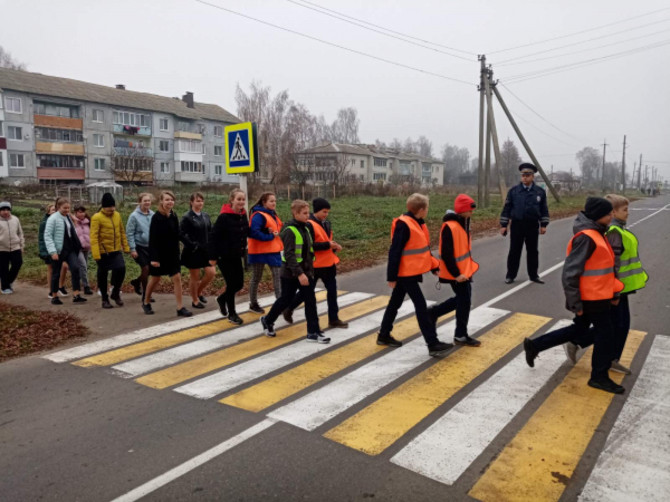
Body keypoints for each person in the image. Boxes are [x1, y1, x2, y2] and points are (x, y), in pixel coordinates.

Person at [523, 197, 625, 394]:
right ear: (598, 216)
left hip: (599, 295)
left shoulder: (598, 233)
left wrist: (614, 291)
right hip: (591, 297)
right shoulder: (587, 237)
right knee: (606, 333)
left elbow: (605, 268)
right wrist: (575, 303)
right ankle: (599, 377)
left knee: (580, 329)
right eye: (608, 213)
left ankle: (535, 345)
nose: (612, 215)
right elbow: (570, 273)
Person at [563, 194, 649, 375]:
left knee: (614, 326)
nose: (628, 213)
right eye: (624, 210)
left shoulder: (614, 230)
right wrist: (613, 291)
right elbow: (611, 265)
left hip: (618, 287)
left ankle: (605, 357)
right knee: (614, 326)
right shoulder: (613, 232)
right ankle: (603, 360)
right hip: (612, 289)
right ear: (612, 212)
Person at [377, 193, 453, 356]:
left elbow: (422, 251)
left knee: (395, 303)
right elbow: (395, 250)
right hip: (405, 274)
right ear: (421, 209)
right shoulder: (404, 224)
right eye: (426, 208)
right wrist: (391, 276)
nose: (427, 211)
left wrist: (434, 266)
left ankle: (383, 335)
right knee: (420, 306)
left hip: (409, 272)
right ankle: (432, 343)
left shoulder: (417, 223)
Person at [259, 200, 328, 343]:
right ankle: (267, 320)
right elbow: (289, 255)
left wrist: (309, 271)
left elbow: (308, 250)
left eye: (308, 213)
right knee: (285, 299)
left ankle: (313, 331)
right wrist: (300, 274)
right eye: (304, 213)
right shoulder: (290, 231)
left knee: (310, 300)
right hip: (291, 274)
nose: (307, 216)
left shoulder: (306, 228)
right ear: (295, 213)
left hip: (306, 272)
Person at [282, 197, 348, 328]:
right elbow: (311, 245)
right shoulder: (308, 224)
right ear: (316, 211)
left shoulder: (326, 223)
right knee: (305, 293)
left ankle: (333, 318)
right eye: (324, 212)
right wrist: (328, 245)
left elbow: (327, 240)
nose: (326, 214)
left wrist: (333, 246)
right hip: (314, 265)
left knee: (332, 291)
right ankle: (289, 308)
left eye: (328, 212)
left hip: (329, 264)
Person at [427, 194, 481, 346]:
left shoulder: (463, 223)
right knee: (464, 300)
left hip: (464, 271)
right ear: (462, 210)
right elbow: (446, 253)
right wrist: (456, 274)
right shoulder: (450, 227)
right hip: (456, 273)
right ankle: (458, 333)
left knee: (464, 300)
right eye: (470, 210)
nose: (472, 213)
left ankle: (437, 315)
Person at [143, 191, 192, 317]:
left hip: (173, 253)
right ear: (161, 202)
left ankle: (180, 307)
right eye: (167, 200)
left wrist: (189, 243)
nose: (170, 202)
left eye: (171, 199)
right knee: (155, 279)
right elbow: (153, 239)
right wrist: (154, 258)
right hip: (159, 254)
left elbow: (178, 233)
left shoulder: (173, 215)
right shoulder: (157, 217)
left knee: (177, 278)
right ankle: (146, 301)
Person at [500, 163, 550, 284]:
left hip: (532, 225)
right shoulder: (514, 191)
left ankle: (533, 275)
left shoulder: (539, 192)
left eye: (527, 175)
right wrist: (503, 225)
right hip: (517, 225)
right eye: (523, 175)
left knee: (533, 251)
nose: (525, 177)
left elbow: (544, 209)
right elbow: (507, 208)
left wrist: (543, 225)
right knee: (514, 251)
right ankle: (510, 275)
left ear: (533, 176)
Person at [209, 188, 249, 325]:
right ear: (232, 200)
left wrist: (265, 231)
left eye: (243, 199)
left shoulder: (243, 215)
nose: (241, 202)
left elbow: (247, 231)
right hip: (223, 256)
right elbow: (213, 237)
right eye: (238, 199)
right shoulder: (224, 217)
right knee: (232, 284)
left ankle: (222, 299)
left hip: (237, 255)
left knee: (239, 284)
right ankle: (232, 314)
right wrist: (213, 257)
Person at [44, 197, 86, 305]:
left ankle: (76, 294)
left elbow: (71, 231)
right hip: (58, 250)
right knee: (56, 273)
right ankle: (54, 296)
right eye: (64, 208)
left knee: (75, 268)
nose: (67, 210)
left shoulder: (68, 217)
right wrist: (53, 252)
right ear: (58, 207)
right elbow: (47, 235)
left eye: (68, 208)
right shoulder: (53, 219)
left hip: (70, 248)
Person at [90, 193, 129, 309]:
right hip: (103, 252)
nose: (112, 209)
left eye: (113, 206)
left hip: (116, 249)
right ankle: (104, 299)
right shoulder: (96, 217)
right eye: (109, 207)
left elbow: (122, 232)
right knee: (103, 275)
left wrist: (126, 246)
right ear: (104, 207)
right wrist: (96, 254)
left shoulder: (117, 215)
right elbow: (94, 236)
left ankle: (115, 293)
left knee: (121, 269)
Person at [247, 192, 283, 313]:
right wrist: (270, 237)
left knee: (278, 276)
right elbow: (254, 232)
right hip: (259, 251)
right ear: (264, 202)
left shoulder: (273, 215)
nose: (274, 203)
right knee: (256, 278)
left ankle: (280, 302)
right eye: (271, 201)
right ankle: (253, 303)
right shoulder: (258, 215)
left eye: (275, 201)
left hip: (273, 250)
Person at [181, 192, 215, 310]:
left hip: (205, 250)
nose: (200, 203)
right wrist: (192, 245)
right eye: (197, 201)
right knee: (195, 277)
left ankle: (199, 292)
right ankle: (194, 300)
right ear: (191, 202)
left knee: (211, 273)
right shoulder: (187, 217)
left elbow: (210, 231)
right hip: (193, 251)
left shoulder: (205, 215)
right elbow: (182, 234)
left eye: (201, 201)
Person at [126, 193, 154, 301]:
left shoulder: (152, 214)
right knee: (145, 268)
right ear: (140, 202)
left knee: (152, 269)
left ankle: (137, 282)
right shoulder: (134, 216)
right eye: (145, 201)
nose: (147, 203)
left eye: (149, 201)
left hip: (150, 247)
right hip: (139, 246)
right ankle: (146, 295)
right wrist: (132, 249)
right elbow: (129, 233)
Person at [38, 203, 69, 299]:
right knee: (51, 269)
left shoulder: (61, 220)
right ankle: (51, 290)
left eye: (56, 210)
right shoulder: (45, 222)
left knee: (64, 267)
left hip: (61, 249)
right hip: (49, 250)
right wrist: (45, 252)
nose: (55, 212)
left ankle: (60, 286)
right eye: (52, 210)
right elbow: (42, 239)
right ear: (48, 212)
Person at [0, 201, 24, 294]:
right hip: (1, 249)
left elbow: (20, 233)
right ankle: (4, 287)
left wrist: (22, 245)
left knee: (18, 263)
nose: (5, 212)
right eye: (3, 210)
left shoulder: (15, 219)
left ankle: (8, 281)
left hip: (15, 247)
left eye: (7, 210)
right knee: (3, 268)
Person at [73, 205, 93, 295]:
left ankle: (79, 284)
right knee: (83, 266)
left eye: (83, 212)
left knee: (83, 267)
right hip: (77, 248)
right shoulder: (73, 222)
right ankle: (86, 286)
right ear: (75, 213)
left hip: (87, 247)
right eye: (79, 212)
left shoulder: (88, 222)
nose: (82, 214)